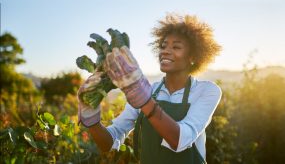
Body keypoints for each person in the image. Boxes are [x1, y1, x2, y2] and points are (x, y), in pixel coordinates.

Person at [77, 13, 222, 164]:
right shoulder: (149, 90)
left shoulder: (206, 91)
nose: (165, 51)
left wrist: (142, 97)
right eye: (163, 46)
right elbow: (108, 142)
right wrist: (91, 117)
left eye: (176, 47)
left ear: (193, 57)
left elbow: (180, 140)